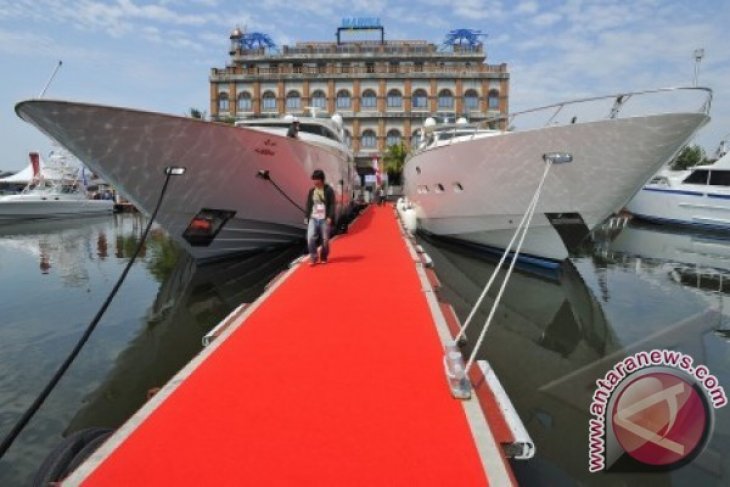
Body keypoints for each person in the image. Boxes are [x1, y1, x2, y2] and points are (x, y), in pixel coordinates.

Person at [305, 169, 335, 265]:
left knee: (325, 239)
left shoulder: (328, 190)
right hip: (313, 217)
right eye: (313, 180)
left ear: (321, 180)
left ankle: (323, 257)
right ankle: (313, 257)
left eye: (316, 180)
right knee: (310, 238)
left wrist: (330, 216)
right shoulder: (312, 191)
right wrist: (306, 216)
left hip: (324, 218)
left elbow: (332, 204)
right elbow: (309, 204)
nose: (314, 182)